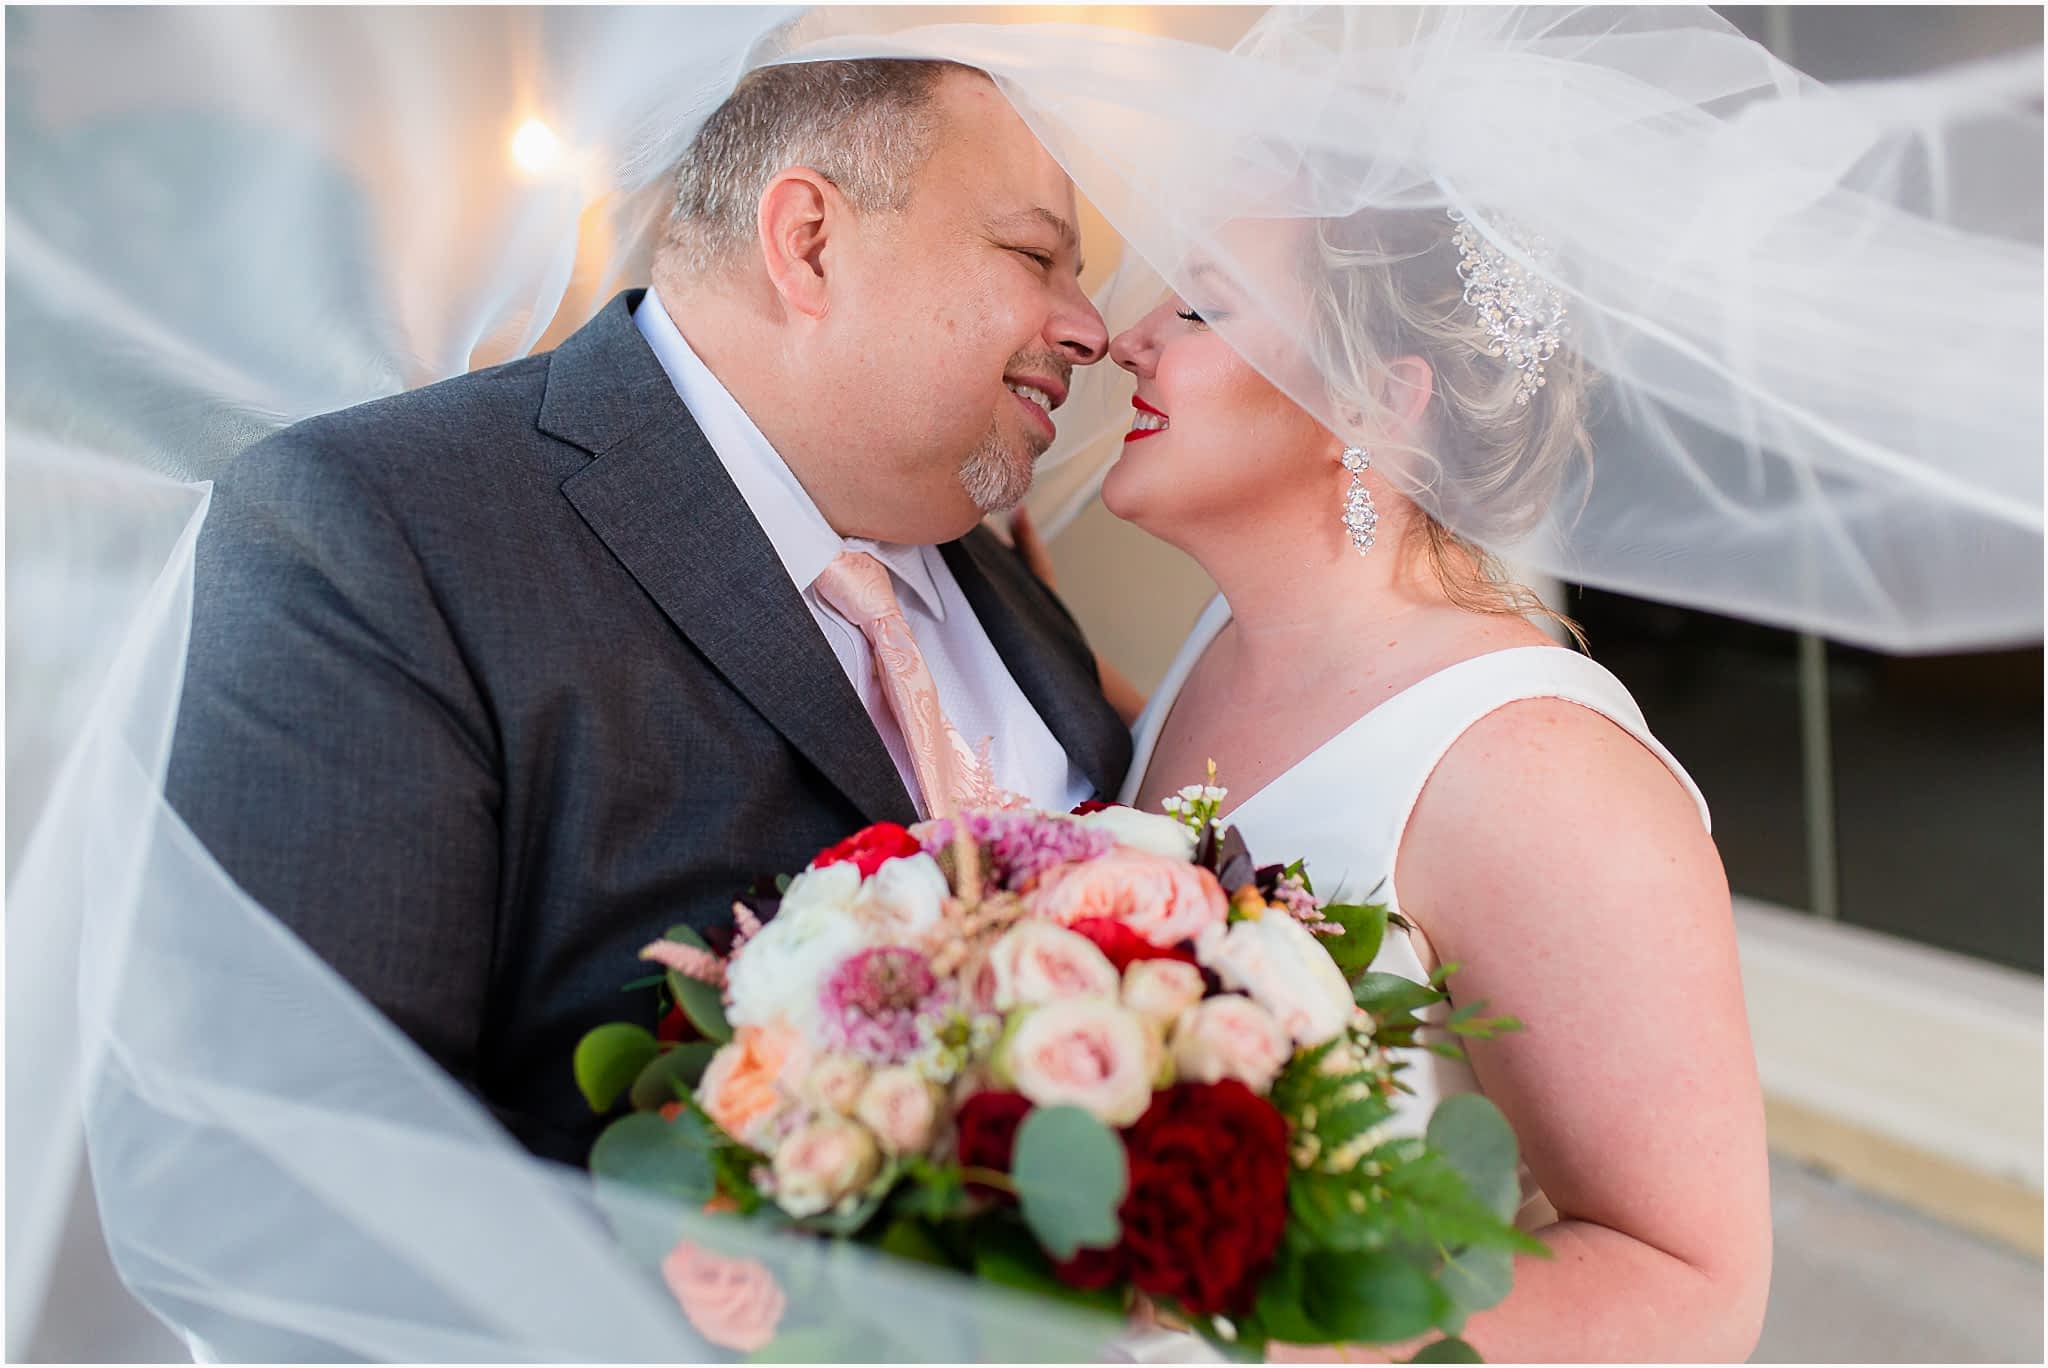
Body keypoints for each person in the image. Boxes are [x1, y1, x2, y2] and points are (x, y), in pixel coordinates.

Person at [162, 57, 1131, 1167]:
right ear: (808, 239)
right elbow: (291, 1152)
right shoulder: (384, 530)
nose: (1090, 327)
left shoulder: (1010, 587)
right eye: (1033, 255)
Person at [1092, 207, 1773, 1361]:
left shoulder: (1534, 771)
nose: (1128, 337)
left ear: (1373, 403)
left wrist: (1278, 1341)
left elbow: (1690, 1284)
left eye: (1200, 303)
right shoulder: (1227, 640)